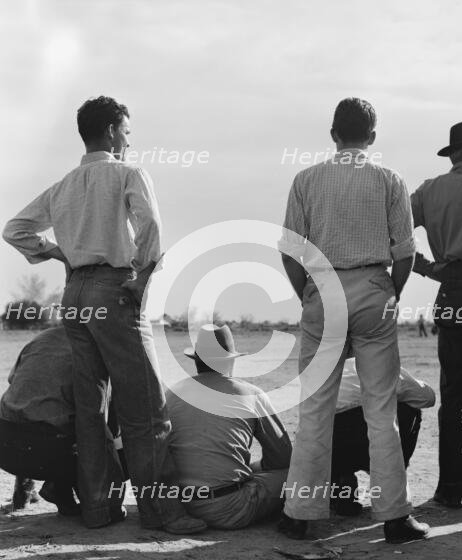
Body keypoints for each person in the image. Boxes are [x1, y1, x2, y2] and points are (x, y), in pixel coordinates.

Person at [3, 96, 205, 534]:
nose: (130, 141)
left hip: (74, 294)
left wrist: (59, 253)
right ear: (113, 131)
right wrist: (144, 273)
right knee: (145, 409)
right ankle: (162, 511)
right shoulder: (128, 174)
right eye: (127, 132)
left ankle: (98, 509)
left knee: (91, 407)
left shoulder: (63, 186)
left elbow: (14, 229)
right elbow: (149, 226)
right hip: (113, 290)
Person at [278, 97, 429, 543]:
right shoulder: (389, 179)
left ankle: (302, 514)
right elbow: (405, 251)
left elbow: (290, 251)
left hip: (322, 291)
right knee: (382, 410)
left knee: (314, 409)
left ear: (333, 134)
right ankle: (394, 516)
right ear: (373, 136)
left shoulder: (306, 178)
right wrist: (392, 293)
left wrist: (307, 293)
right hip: (372, 288)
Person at [412, 120, 462, 508]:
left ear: (454, 153)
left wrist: (425, 267)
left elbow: (392, 233)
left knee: (453, 390)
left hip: (452, 286)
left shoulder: (429, 190)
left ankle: (453, 487)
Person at [166, 324, 292, 530]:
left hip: (180, 506)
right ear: (231, 361)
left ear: (196, 361)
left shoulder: (173, 393)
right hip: (231, 509)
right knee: (296, 471)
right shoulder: (250, 394)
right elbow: (283, 457)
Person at [331, 358, 435, 515]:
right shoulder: (380, 362)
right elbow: (427, 397)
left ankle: (341, 488)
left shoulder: (322, 372)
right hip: (380, 447)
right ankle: (390, 485)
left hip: (335, 452)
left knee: (320, 424)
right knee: (409, 410)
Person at [0, 327, 80, 515]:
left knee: (26, 409)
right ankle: (61, 492)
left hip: (4, 445)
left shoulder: (41, 338)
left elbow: (13, 379)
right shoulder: (89, 346)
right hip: (46, 452)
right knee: (86, 423)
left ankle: (22, 495)